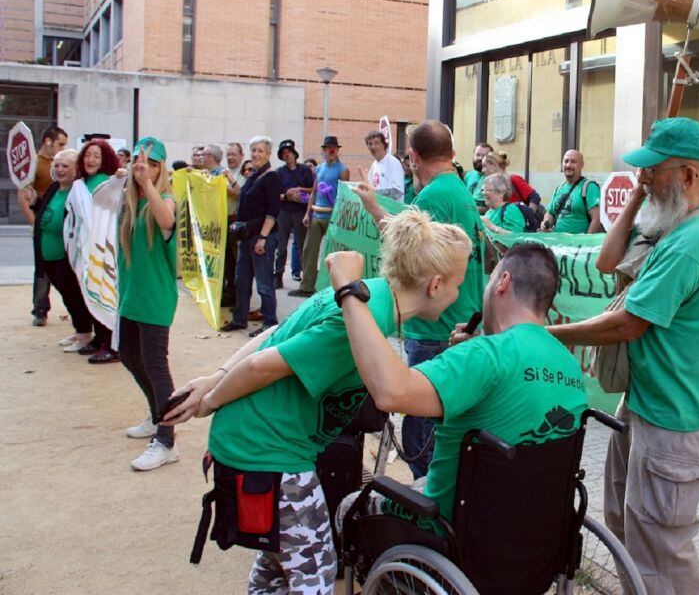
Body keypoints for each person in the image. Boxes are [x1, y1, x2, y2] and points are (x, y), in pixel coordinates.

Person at [164, 208, 473, 593]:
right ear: (435, 285)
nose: (460, 295)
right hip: (269, 450)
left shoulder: (366, 293)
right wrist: (210, 397)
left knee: (283, 561)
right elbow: (262, 365)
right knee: (316, 575)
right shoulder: (362, 320)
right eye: (459, 284)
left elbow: (276, 332)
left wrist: (217, 376)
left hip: (265, 443)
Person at [548, 117, 699, 595]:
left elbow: (628, 322)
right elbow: (607, 262)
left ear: (689, 176)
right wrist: (639, 195)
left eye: (653, 171)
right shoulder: (679, 224)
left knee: (661, 546)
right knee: (632, 526)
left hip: (673, 417)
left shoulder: (694, 241)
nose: (646, 179)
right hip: (651, 401)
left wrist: (546, 334)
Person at [329, 242, 588, 529]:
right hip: (531, 533)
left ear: (503, 282)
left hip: (452, 531)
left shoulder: (482, 357)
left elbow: (391, 392)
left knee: (347, 508)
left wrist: (349, 291)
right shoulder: (569, 365)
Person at [352, 121, 485, 478]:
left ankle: (427, 512)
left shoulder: (433, 196)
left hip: (434, 328)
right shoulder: (459, 189)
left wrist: (371, 206)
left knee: (421, 437)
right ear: (453, 154)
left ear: (412, 157)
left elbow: (404, 246)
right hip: (457, 323)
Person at [116, 138, 182, 471]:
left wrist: (145, 183)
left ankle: (167, 440)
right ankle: (157, 414)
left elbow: (167, 220)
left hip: (155, 299)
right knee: (128, 355)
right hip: (131, 297)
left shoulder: (164, 199)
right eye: (143, 163)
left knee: (156, 366)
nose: (148, 169)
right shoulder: (129, 202)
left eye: (154, 164)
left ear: (162, 169)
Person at [19, 149, 96, 352]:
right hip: (48, 256)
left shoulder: (77, 191)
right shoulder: (55, 188)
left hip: (66, 257)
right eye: (57, 165)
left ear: (75, 169)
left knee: (74, 296)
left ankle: (85, 335)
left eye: (65, 166)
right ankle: (80, 331)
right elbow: (44, 210)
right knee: (67, 296)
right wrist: (35, 201)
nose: (59, 169)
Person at [221, 136, 282, 337]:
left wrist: (263, 237)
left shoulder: (271, 177)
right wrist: (229, 178)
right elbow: (241, 195)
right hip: (246, 237)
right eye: (253, 150)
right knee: (241, 279)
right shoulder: (254, 176)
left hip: (261, 237)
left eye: (260, 151)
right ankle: (239, 319)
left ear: (268, 154)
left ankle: (270, 322)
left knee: (264, 282)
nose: (256, 154)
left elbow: (273, 211)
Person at [75, 139, 123, 363]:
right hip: (87, 247)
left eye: (96, 156)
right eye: (87, 155)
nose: (90, 160)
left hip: (102, 248)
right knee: (91, 290)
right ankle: (100, 337)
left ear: (105, 160)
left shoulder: (106, 182)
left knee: (103, 291)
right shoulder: (84, 181)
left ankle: (110, 343)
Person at [292, 136, 350, 297]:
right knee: (308, 250)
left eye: (334, 148)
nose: (331, 151)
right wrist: (307, 213)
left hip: (333, 217)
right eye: (328, 148)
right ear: (324, 150)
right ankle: (307, 285)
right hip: (317, 214)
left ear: (337, 150)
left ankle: (331, 287)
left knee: (333, 253)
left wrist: (340, 217)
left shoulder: (343, 170)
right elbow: (315, 192)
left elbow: (344, 195)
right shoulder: (319, 169)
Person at [27, 125, 69, 326]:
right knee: (42, 271)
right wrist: (35, 225)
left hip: (57, 226)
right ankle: (40, 309)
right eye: (60, 144)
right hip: (42, 225)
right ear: (48, 141)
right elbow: (24, 195)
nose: (62, 148)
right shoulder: (33, 164)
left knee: (61, 270)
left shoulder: (57, 163)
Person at [274, 139, 313, 289]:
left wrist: (299, 189)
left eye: (288, 152)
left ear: (294, 154)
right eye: (284, 154)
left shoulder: (304, 170)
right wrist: (287, 195)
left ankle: (305, 277)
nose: (287, 155)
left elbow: (313, 189)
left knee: (302, 245)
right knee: (282, 245)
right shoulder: (279, 172)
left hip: (300, 211)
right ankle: (278, 275)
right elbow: (274, 194)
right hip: (284, 211)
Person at [541, 149, 601, 234]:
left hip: (578, 245)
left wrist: (587, 241)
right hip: (558, 243)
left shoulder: (589, 187)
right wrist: (545, 223)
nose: (568, 165)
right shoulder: (559, 188)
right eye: (566, 161)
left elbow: (597, 219)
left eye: (573, 162)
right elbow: (550, 213)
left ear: (581, 165)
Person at [221, 142, 246, 310]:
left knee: (238, 262)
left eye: (233, 154)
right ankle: (229, 294)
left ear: (241, 155)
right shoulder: (223, 174)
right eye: (228, 154)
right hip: (223, 220)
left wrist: (226, 187)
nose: (230, 157)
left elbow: (241, 193)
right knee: (227, 262)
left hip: (237, 220)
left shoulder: (244, 174)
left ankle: (239, 298)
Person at [364, 130, 405, 202]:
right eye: (370, 144)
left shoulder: (393, 162)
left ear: (383, 144)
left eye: (376, 143)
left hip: (391, 211)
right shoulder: (374, 165)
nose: (373, 147)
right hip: (378, 210)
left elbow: (397, 192)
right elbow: (369, 187)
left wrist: (374, 193)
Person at [465, 142, 492, 211]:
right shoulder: (468, 175)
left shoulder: (494, 178)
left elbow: (492, 207)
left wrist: (466, 210)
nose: (480, 158)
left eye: (485, 155)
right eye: (478, 155)